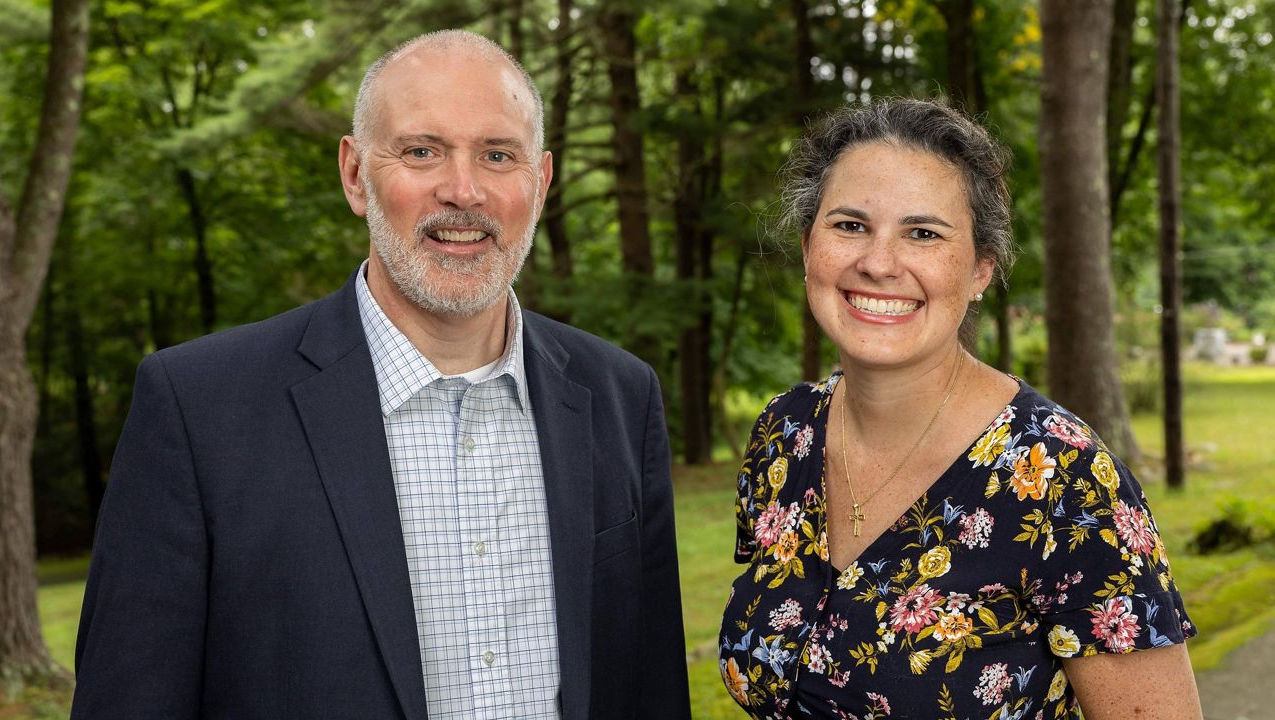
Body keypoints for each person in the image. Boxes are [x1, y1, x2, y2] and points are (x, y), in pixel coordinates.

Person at [72, 30, 690, 720]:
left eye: (497, 155)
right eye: (422, 151)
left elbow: (651, 690)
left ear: (539, 184)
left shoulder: (620, 396)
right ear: (355, 174)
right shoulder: (198, 409)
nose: (463, 190)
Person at [718, 98, 1203, 719]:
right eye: (849, 226)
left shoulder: (1063, 479)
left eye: (923, 233)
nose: (878, 262)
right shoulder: (783, 435)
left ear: (980, 268)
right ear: (809, 244)